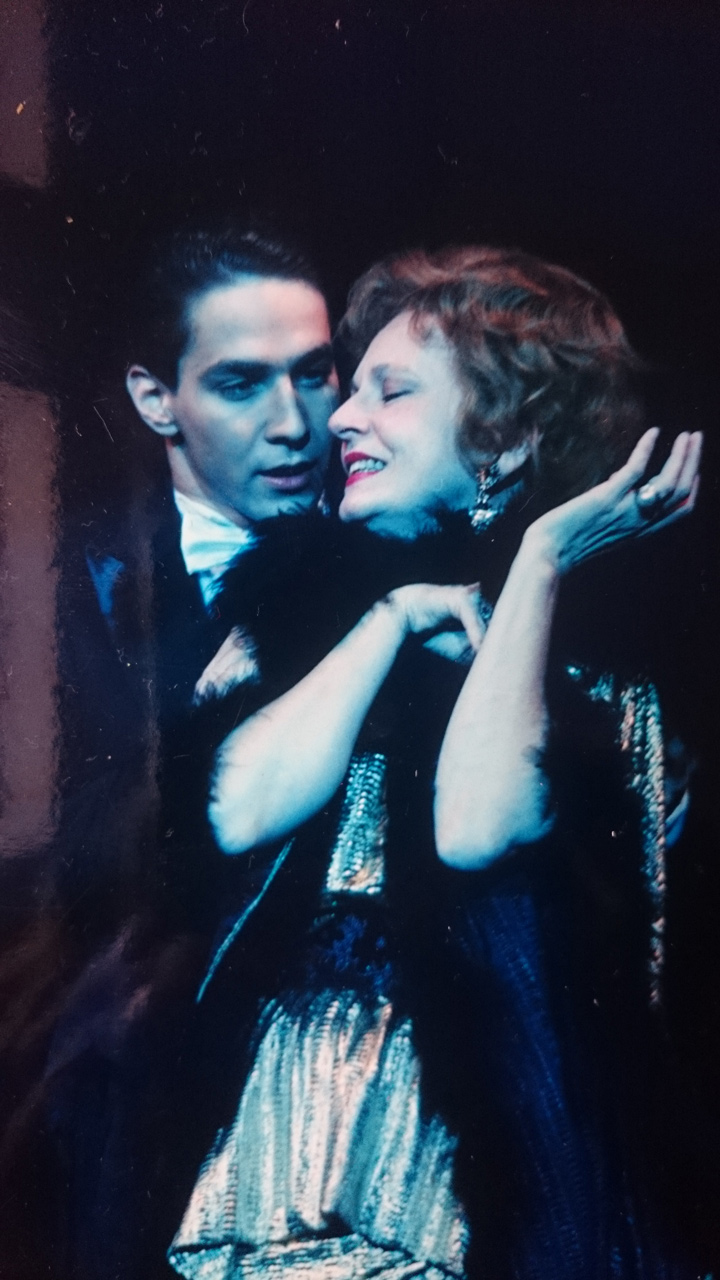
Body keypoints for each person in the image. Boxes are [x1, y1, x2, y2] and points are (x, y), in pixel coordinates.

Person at [167, 245, 702, 1280]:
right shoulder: (287, 611)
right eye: (354, 389)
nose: (341, 419)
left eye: (392, 391)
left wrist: (540, 559)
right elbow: (230, 810)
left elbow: (474, 826)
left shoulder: (592, 664)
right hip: (271, 1155)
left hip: (474, 1187)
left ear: (501, 433)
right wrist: (392, 617)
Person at [39, 223, 339, 1280]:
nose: (294, 424)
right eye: (242, 384)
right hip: (130, 1107)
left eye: (315, 374)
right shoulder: (67, 578)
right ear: (155, 398)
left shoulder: (402, 544)